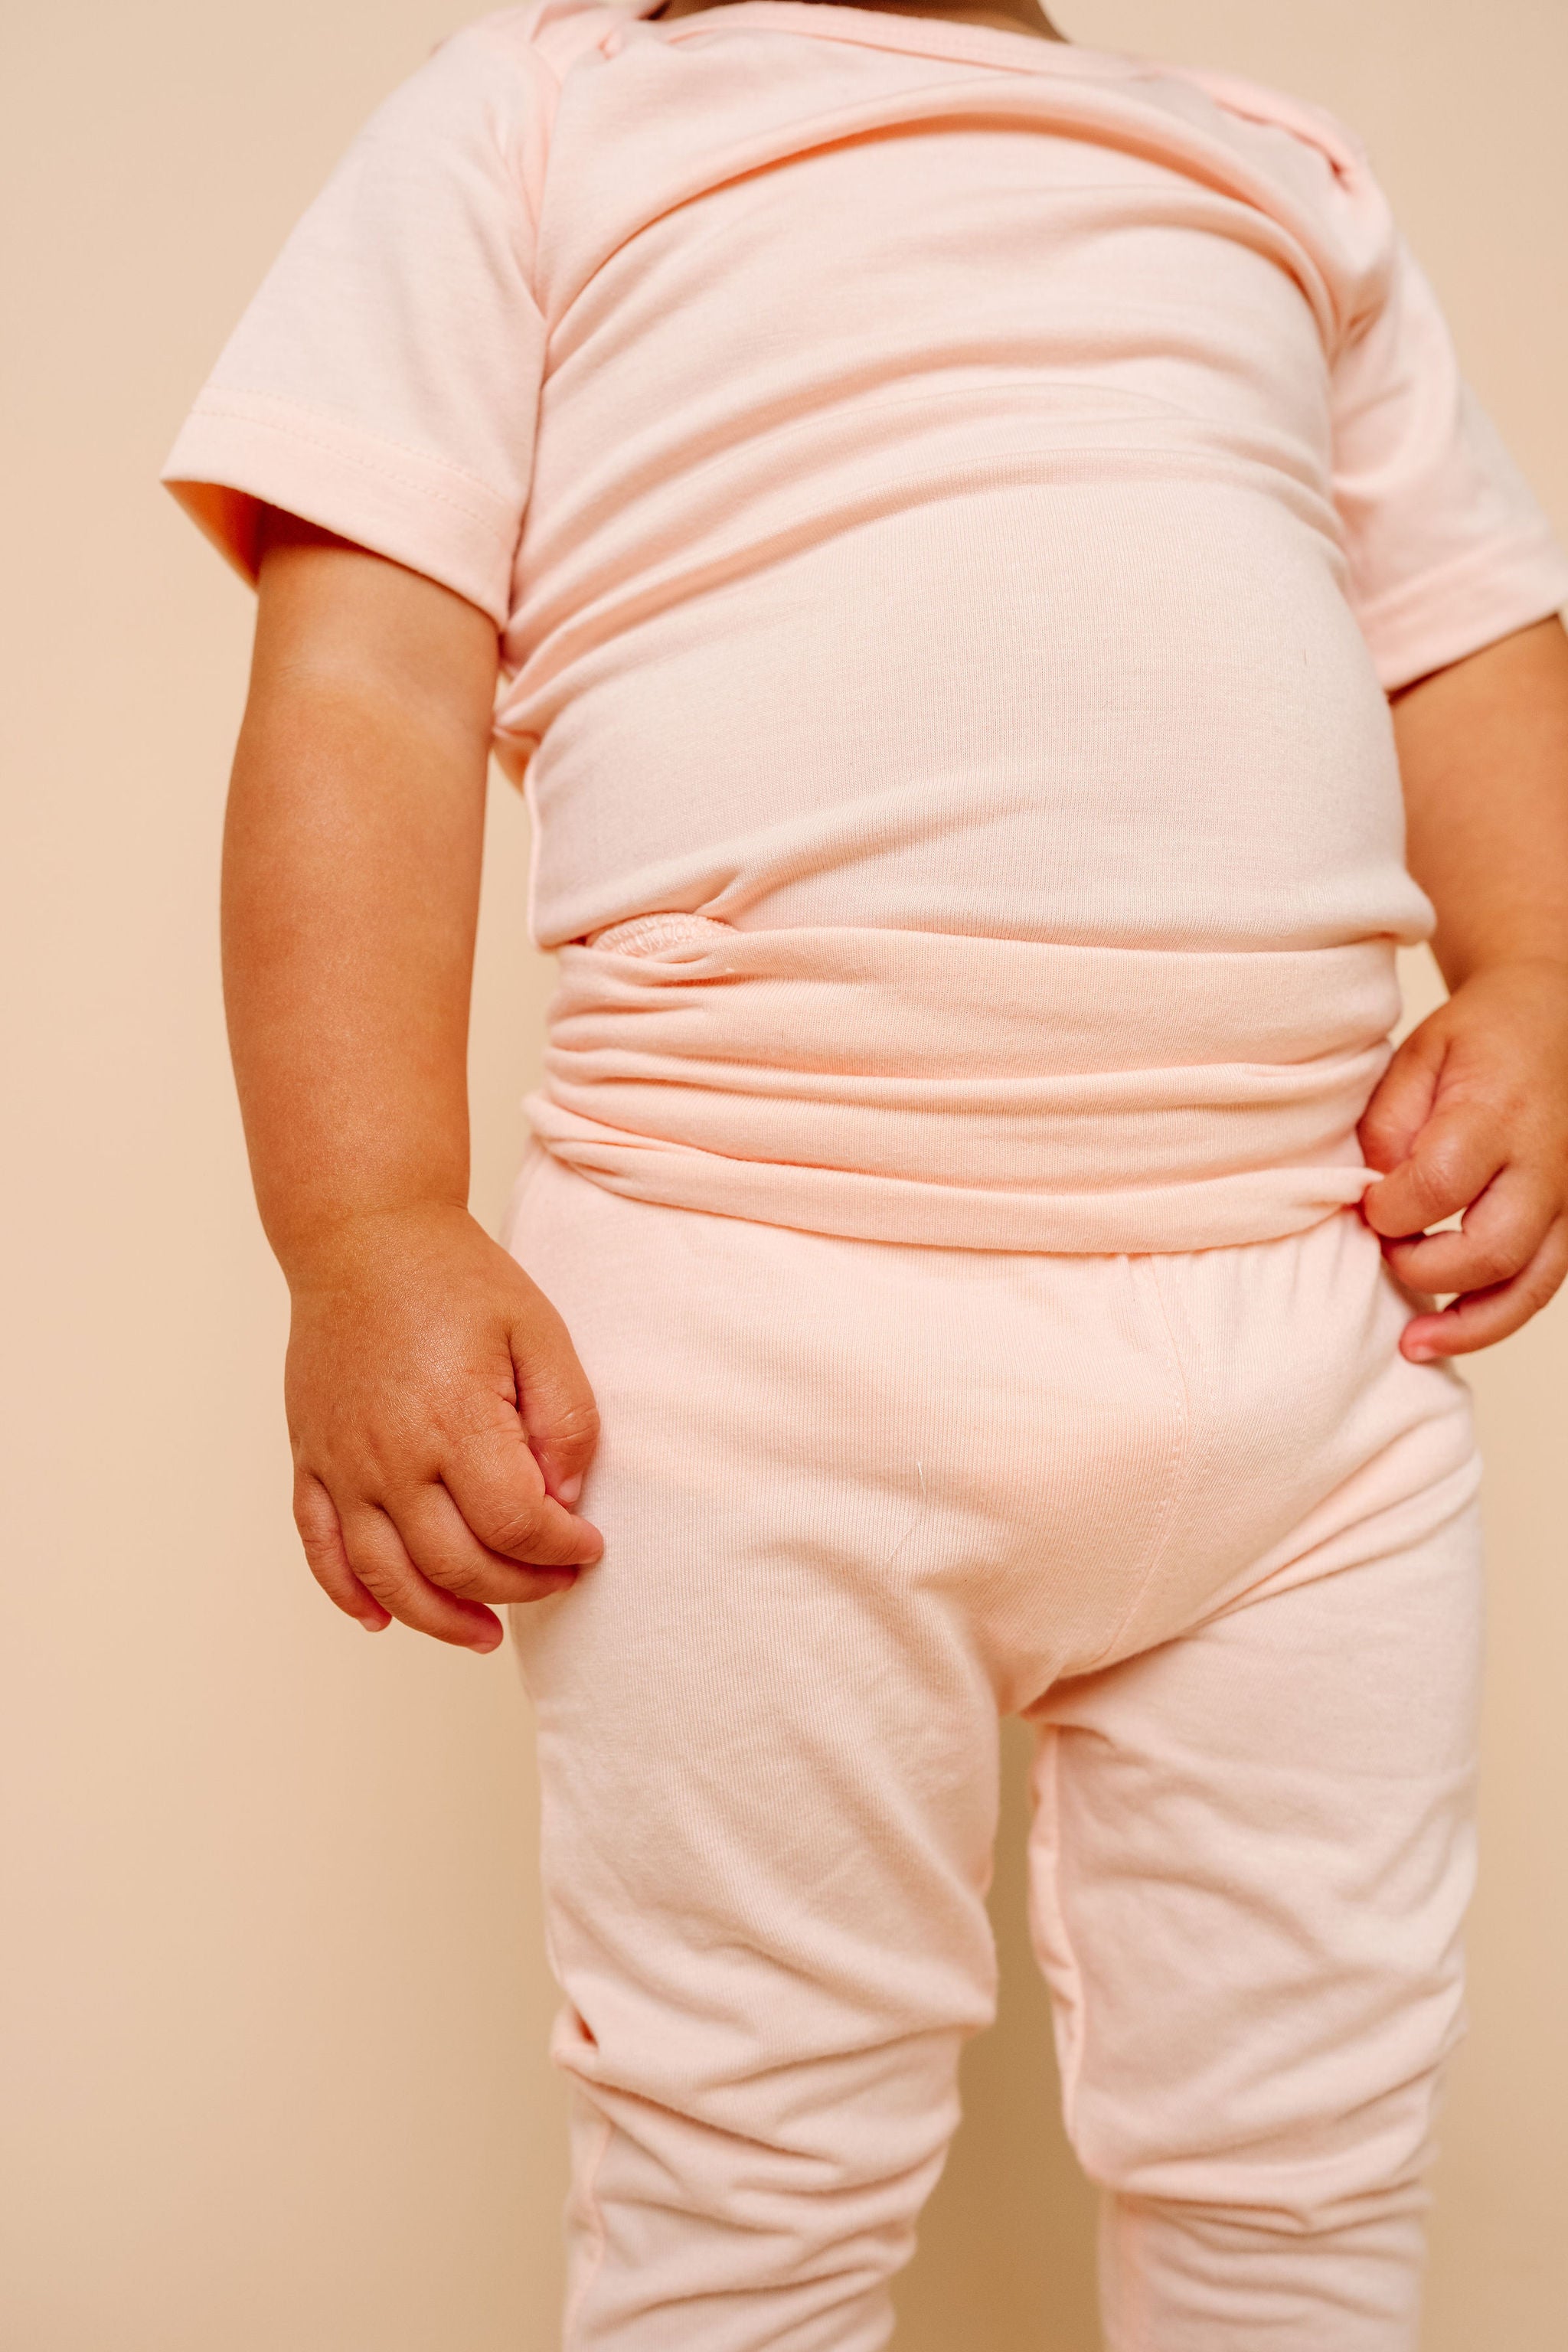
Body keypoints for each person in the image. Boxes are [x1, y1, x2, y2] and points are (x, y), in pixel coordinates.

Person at [162, 2, 1568, 2343]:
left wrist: (1538, 975)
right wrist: (365, 1222)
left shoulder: (1279, 178)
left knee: (1312, 2169)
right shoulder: (537, 122)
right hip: (739, 1343)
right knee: (746, 2189)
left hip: (1316, 1357)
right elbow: (365, 681)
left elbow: (1471, 648)